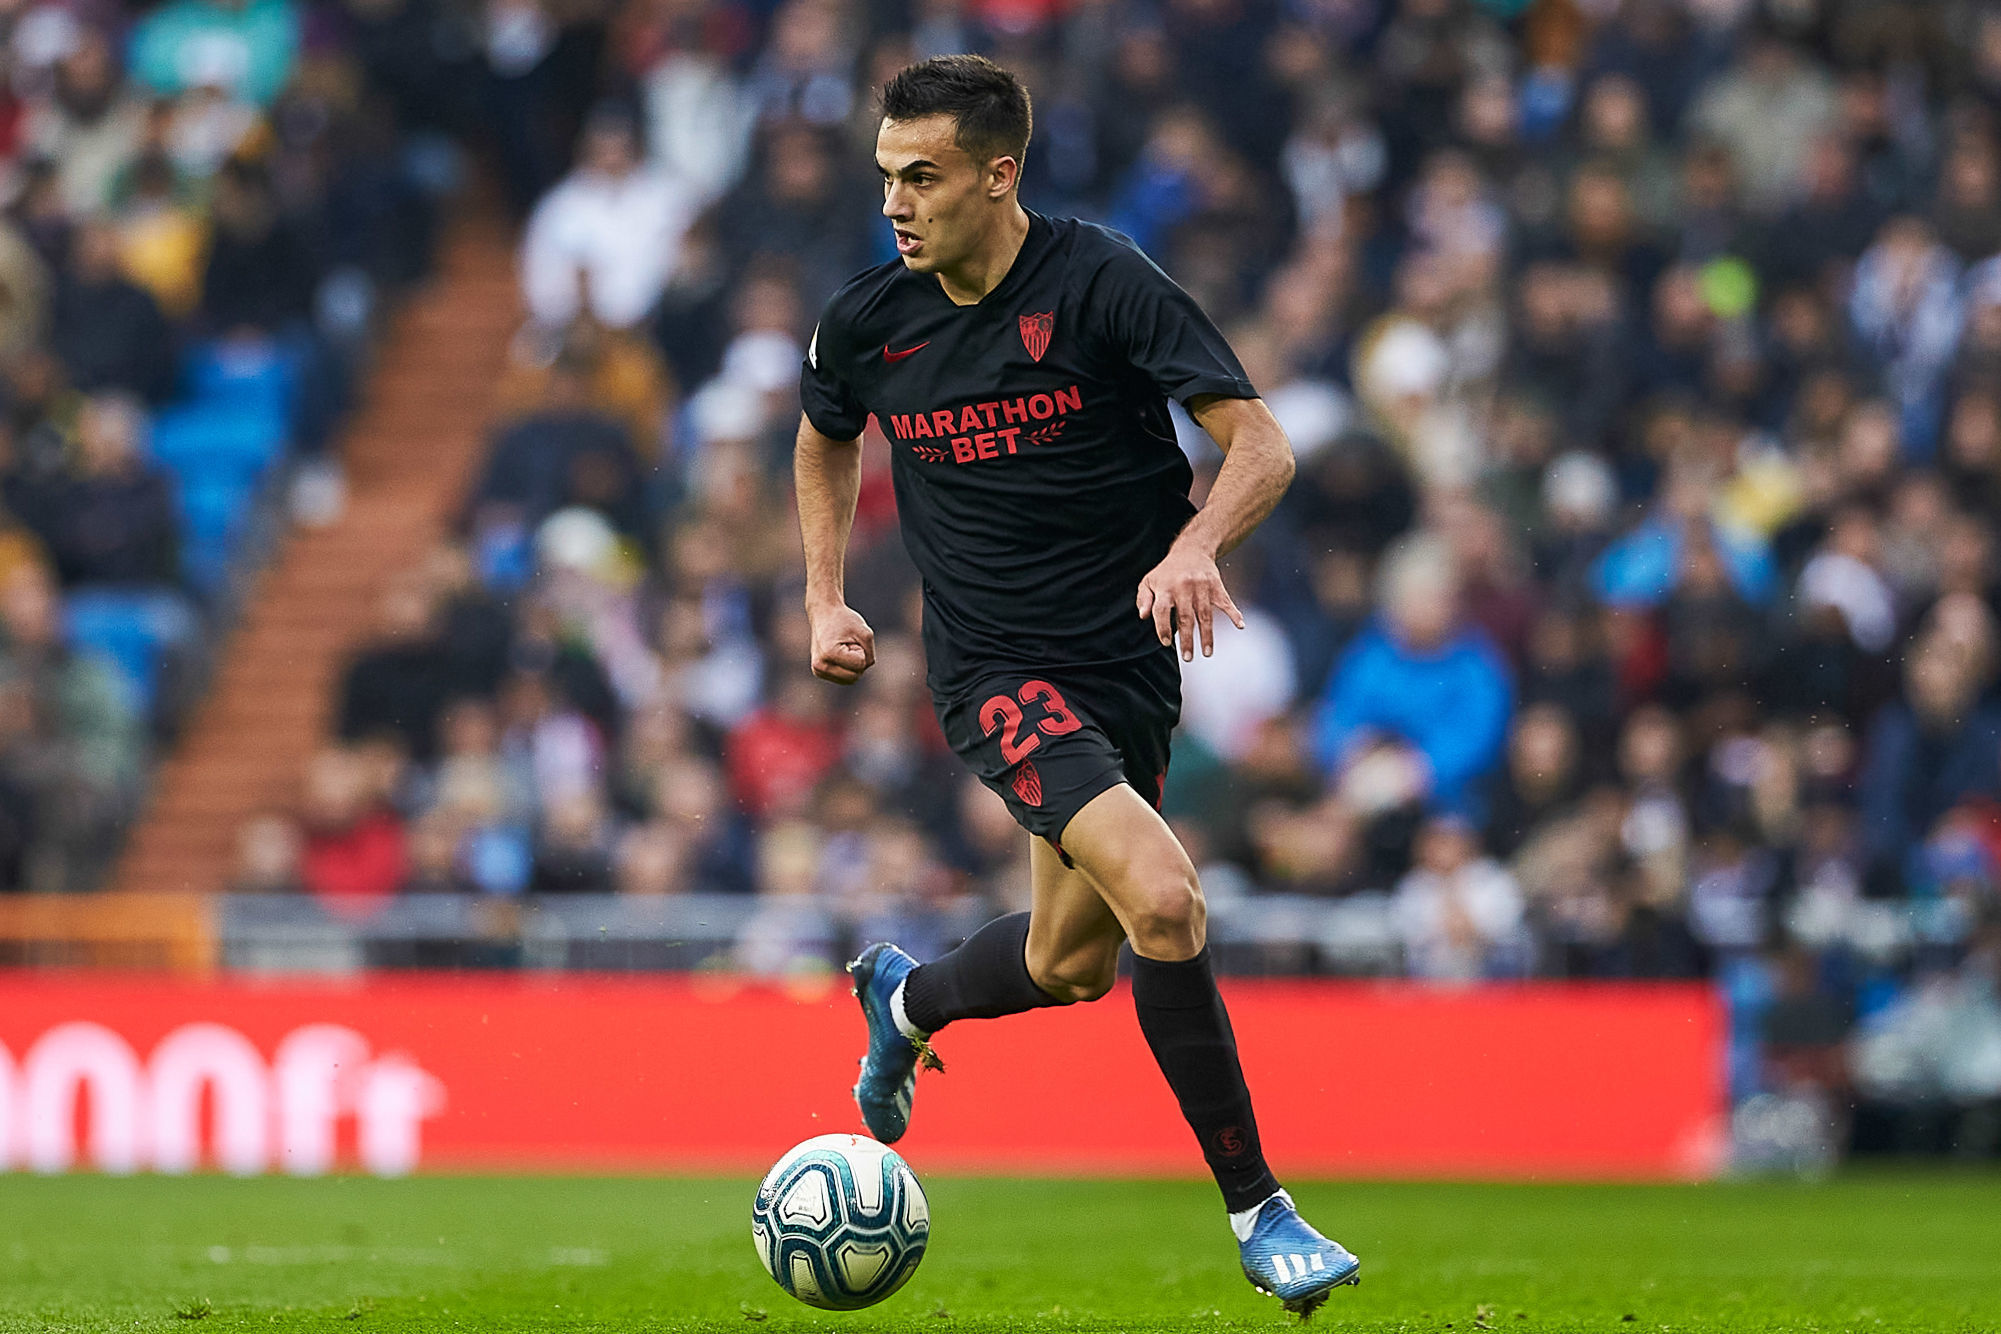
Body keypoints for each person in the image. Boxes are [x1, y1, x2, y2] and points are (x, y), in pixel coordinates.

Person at [793, 56, 1360, 1316]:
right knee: (1165, 899)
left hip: (1126, 670)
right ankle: (1262, 1209)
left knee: (1067, 963)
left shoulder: (1102, 282)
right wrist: (826, 593)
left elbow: (1259, 439)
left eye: (923, 177)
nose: (897, 203)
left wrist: (1197, 543)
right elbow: (825, 429)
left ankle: (910, 995)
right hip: (998, 670)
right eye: (887, 176)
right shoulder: (866, 319)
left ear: (1001, 175)